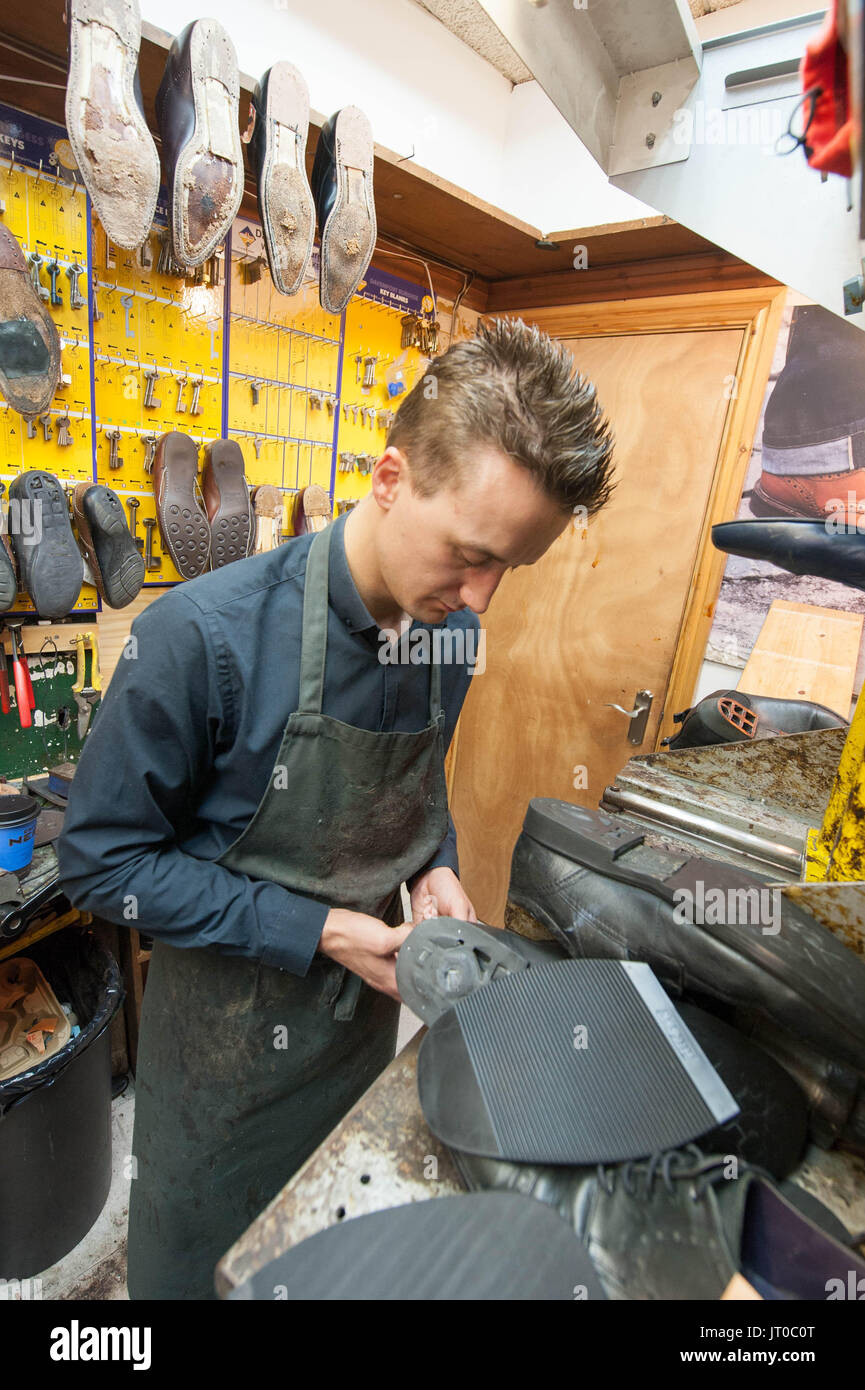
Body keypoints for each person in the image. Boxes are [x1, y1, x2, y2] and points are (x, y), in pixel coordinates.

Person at [57, 315, 615, 1299]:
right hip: (222, 1071)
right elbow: (101, 864)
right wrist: (317, 928)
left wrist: (435, 857)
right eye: (470, 553)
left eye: (510, 570)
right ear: (390, 479)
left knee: (321, 1265)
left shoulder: (446, 633)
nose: (481, 598)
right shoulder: (199, 639)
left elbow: (419, 775)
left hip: (359, 1039)